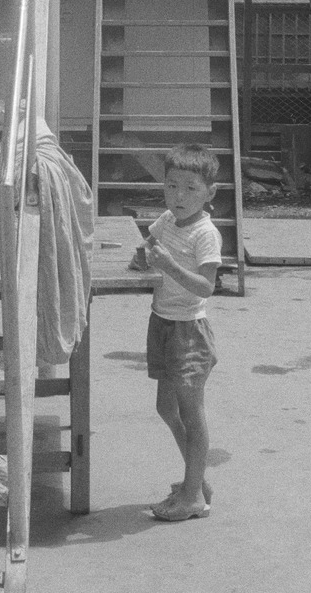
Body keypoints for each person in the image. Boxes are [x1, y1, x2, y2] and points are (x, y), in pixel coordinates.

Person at [142, 143, 222, 522]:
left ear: (209, 193)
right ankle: (197, 482)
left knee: (192, 414)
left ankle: (192, 498)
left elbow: (207, 286)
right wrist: (143, 258)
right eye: (172, 186)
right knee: (165, 408)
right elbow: (149, 246)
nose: (180, 196)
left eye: (191, 188)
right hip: (162, 322)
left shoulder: (205, 234)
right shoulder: (167, 220)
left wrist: (170, 267)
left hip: (189, 331)